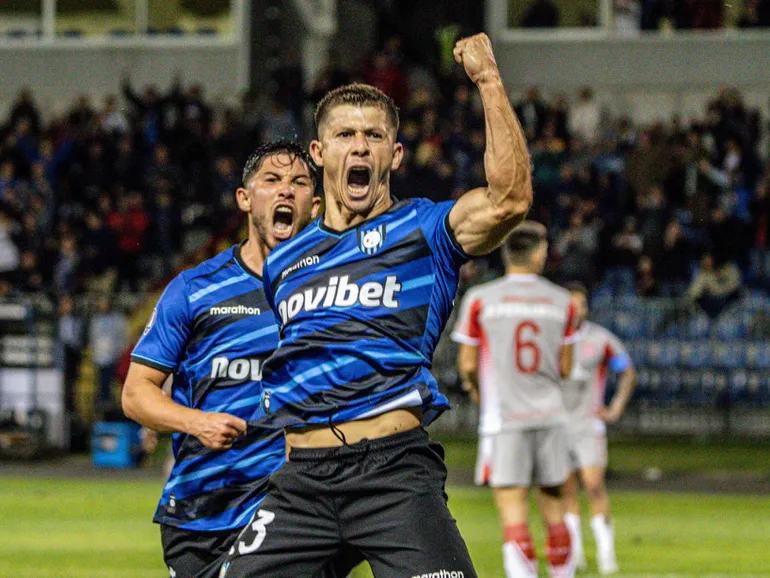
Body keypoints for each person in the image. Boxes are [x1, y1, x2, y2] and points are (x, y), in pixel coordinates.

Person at [221, 33, 532, 578]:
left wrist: (488, 81)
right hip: (301, 484)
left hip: (392, 473)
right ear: (319, 153)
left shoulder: (425, 228)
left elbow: (509, 200)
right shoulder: (284, 263)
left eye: (374, 136)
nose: (360, 147)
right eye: (345, 135)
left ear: (395, 153)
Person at [122, 141, 356, 578]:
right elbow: (136, 394)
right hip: (205, 515)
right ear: (245, 199)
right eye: (272, 180)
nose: (286, 191)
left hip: (299, 512)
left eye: (299, 183)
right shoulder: (196, 289)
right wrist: (196, 421)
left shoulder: (335, 295)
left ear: (316, 205)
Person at [452, 221, 577, 578]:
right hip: (552, 416)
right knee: (555, 512)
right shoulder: (562, 301)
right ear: (539, 253)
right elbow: (566, 368)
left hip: (505, 419)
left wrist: (477, 390)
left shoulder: (481, 300)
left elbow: (468, 364)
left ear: (506, 253)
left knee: (513, 515)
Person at [560, 282, 637, 575]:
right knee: (567, 489)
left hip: (587, 425)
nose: (576, 308)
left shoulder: (599, 339)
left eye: (580, 303)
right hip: (557, 424)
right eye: (571, 303)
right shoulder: (552, 337)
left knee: (593, 485)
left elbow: (627, 371)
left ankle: (607, 556)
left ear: (586, 307)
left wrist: (615, 407)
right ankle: (576, 553)